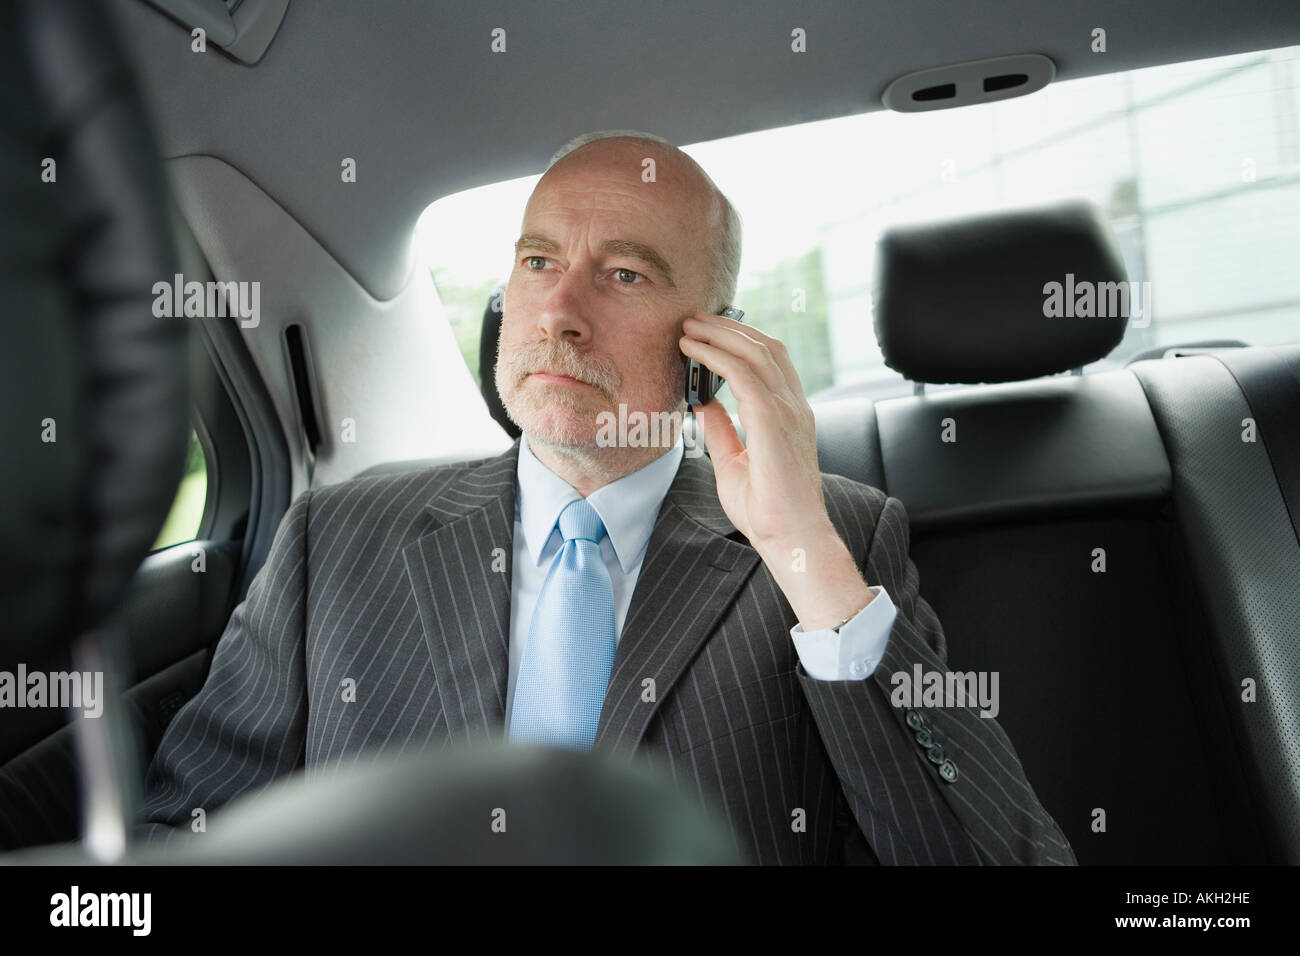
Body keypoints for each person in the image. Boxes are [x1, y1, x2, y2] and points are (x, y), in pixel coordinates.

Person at [138, 129, 1075, 865]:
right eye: (539, 262)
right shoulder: (334, 537)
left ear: (714, 343)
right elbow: (181, 840)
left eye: (624, 274)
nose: (559, 312)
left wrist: (803, 552)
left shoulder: (835, 541)